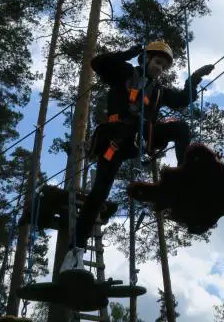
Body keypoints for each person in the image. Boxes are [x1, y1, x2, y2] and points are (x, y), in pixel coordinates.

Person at [60, 41, 213, 273]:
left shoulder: (159, 91)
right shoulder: (123, 73)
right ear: (146, 59)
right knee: (98, 194)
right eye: (157, 62)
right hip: (116, 139)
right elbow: (98, 63)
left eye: (164, 66)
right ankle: (74, 253)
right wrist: (130, 53)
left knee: (180, 128)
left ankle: (184, 174)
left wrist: (194, 79)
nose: (160, 68)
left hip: (142, 137)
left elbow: (182, 100)